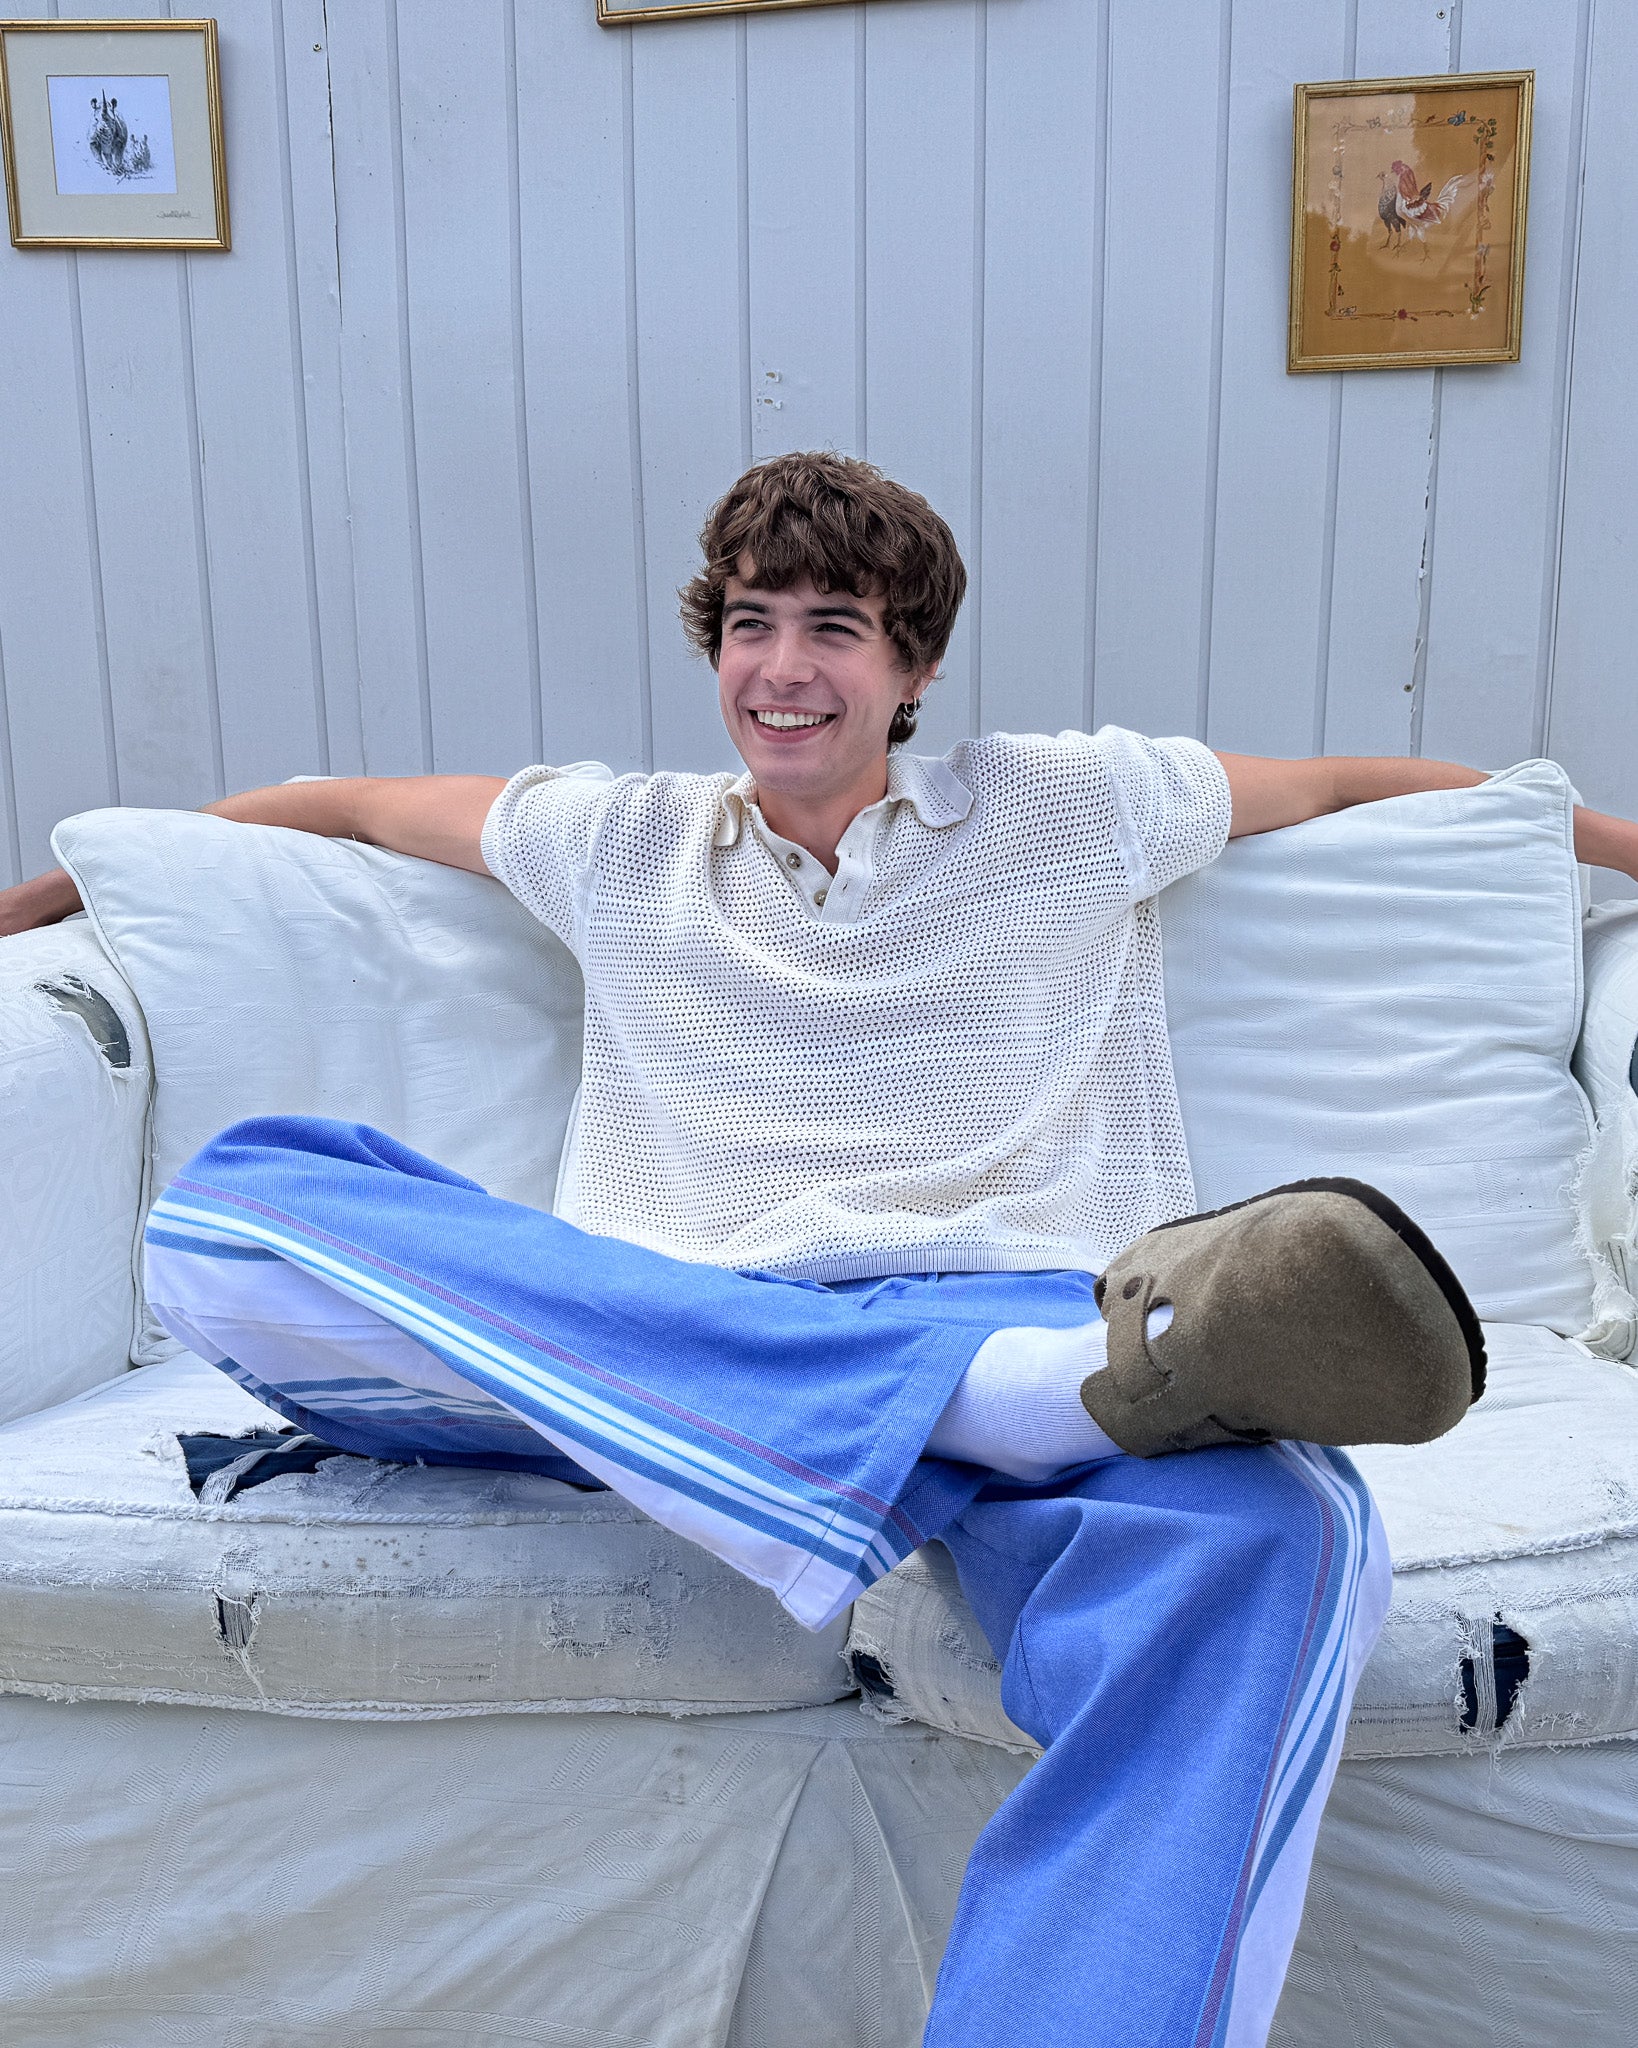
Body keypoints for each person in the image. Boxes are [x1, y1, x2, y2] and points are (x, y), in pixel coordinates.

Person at [5, 451, 1636, 2045]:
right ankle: (1021, 1406)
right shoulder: (614, 837)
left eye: (834, 628)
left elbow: (1362, 787)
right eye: (750, 624)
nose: (781, 670)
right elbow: (333, 808)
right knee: (240, 1208)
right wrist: (70, 893)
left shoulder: (1071, 805)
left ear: (913, 667)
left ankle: (991, 1396)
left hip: (987, 1302)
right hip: (666, 1340)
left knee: (1284, 1537)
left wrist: (1618, 849)